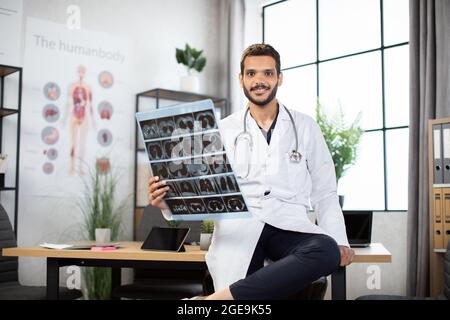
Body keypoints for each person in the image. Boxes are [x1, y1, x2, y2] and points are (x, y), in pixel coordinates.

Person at [148, 44, 354, 300]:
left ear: (280, 77)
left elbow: (325, 191)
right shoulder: (221, 130)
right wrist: (167, 202)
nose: (259, 80)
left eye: (268, 73)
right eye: (251, 73)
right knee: (245, 272)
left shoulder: (305, 127)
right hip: (241, 225)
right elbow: (203, 192)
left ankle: (212, 302)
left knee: (326, 250)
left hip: (288, 224)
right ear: (241, 79)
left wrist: (339, 239)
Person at [63, 65, 96, 175]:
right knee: (73, 143)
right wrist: (64, 118)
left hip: (84, 116)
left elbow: (91, 105)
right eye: (79, 72)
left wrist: (93, 120)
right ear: (77, 73)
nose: (80, 74)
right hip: (74, 115)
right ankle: (71, 167)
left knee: (82, 143)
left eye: (82, 72)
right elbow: (67, 103)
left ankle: (81, 167)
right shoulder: (72, 86)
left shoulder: (88, 87)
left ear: (84, 73)